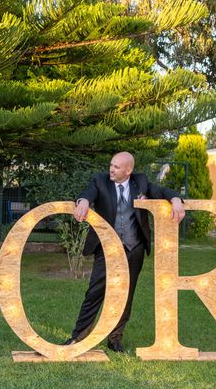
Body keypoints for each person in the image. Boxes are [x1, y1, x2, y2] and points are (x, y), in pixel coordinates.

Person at [63, 151, 185, 353]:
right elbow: (88, 193)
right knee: (95, 291)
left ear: (128, 170)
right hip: (107, 248)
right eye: (111, 165)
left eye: (116, 167)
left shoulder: (141, 182)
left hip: (133, 248)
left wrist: (176, 200)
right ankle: (78, 337)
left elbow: (161, 191)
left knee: (125, 295)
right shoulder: (100, 181)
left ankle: (115, 339)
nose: (111, 169)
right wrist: (83, 202)